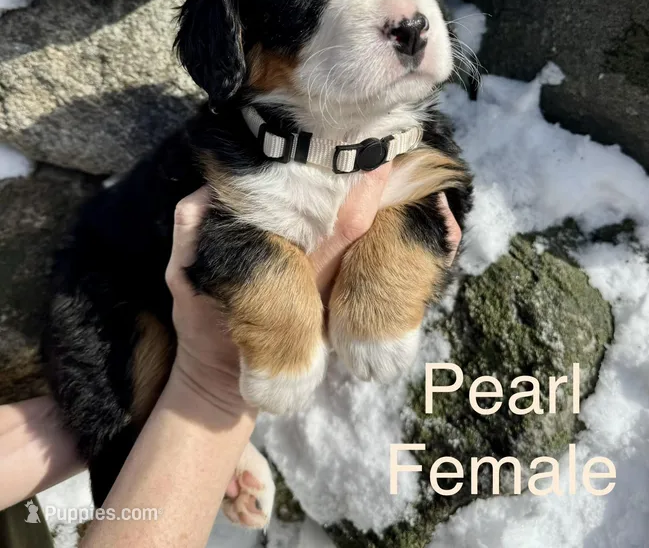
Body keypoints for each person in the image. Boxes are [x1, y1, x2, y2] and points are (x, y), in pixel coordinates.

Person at [0, 167, 462, 547]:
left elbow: (440, 199)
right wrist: (211, 386)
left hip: (117, 272)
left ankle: (136, 428)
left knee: (107, 417)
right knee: (113, 433)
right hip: (124, 290)